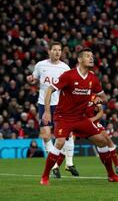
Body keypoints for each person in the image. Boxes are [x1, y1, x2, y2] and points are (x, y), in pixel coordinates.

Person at [39, 48, 118, 185]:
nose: (91, 58)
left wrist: (99, 99)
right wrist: (47, 111)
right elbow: (49, 89)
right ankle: (45, 177)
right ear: (79, 59)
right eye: (87, 56)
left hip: (80, 118)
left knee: (102, 141)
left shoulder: (93, 78)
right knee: (60, 142)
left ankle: (111, 175)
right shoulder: (69, 75)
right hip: (64, 117)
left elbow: (104, 97)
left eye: (92, 56)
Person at [26, 41, 79, 178]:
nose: (57, 52)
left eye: (59, 50)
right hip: (44, 104)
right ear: (49, 51)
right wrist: (30, 79)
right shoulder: (40, 65)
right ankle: (54, 165)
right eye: (54, 49)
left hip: (61, 105)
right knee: (45, 135)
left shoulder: (65, 68)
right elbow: (34, 78)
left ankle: (69, 163)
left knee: (67, 134)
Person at [85, 94, 118, 173]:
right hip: (81, 122)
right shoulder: (77, 95)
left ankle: (117, 165)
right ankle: (58, 165)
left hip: (94, 121)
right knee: (100, 142)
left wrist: (93, 119)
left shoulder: (94, 97)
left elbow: (101, 112)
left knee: (107, 139)